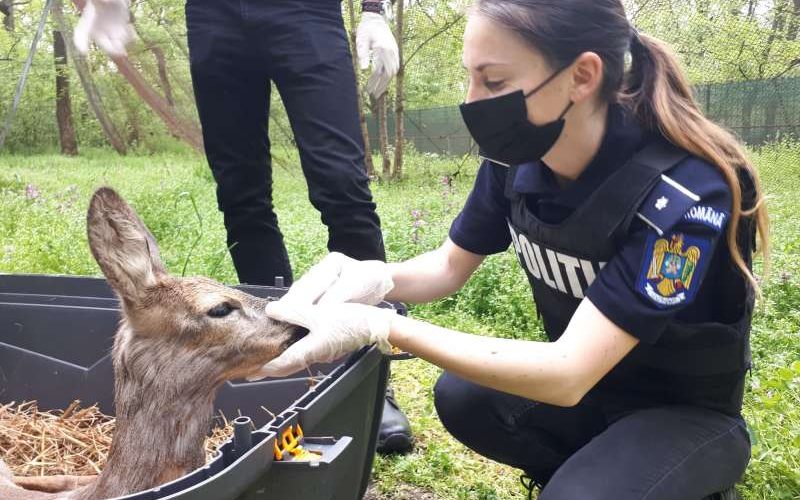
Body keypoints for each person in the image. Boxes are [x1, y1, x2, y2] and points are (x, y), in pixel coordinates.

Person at [253, 0, 769, 498]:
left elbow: (568, 373)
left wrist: (386, 326)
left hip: (682, 412)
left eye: (494, 81)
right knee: (464, 398)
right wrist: (375, 277)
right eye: (471, 77)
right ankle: (593, 473)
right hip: (595, 394)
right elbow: (450, 265)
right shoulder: (517, 160)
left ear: (582, 76)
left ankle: (662, 480)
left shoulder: (683, 193)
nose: (474, 101)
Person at [73, 0, 414, 455]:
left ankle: (368, 376)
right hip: (214, 16)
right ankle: (277, 368)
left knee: (342, 186)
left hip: (306, 12)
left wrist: (373, 10)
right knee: (241, 193)